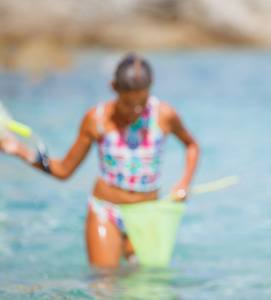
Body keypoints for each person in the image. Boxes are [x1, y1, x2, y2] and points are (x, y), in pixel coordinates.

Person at [0, 53, 200, 268]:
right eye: (127, 103)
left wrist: (184, 183)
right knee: (104, 285)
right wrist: (19, 150)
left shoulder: (165, 115)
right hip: (106, 210)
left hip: (148, 212)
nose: (135, 110)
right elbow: (64, 170)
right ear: (113, 87)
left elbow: (192, 146)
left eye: (141, 102)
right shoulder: (96, 119)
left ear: (152, 85)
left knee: (144, 287)